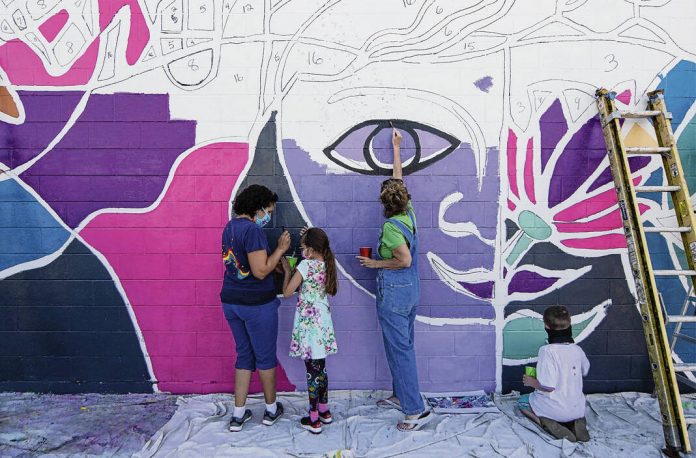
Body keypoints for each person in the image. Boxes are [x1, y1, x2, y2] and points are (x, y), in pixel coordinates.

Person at [356, 128, 434, 431]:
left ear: (384, 203)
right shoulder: (408, 212)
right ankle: (402, 395)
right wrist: (397, 148)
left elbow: (404, 259)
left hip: (396, 293)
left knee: (400, 349)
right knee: (399, 346)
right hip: (411, 290)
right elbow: (399, 180)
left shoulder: (391, 227)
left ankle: (415, 409)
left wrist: (374, 262)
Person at [221, 184, 291, 432]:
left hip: (231, 302)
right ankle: (271, 410)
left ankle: (238, 415)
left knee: (243, 356)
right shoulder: (252, 231)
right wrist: (281, 250)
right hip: (257, 304)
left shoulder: (230, 227)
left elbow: (246, 264)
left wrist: (273, 262)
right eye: (268, 210)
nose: (268, 216)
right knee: (265, 358)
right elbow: (261, 271)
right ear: (258, 208)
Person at [281, 227, 339, 434]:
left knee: (311, 372)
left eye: (304, 247)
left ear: (312, 248)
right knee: (321, 368)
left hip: (309, 325)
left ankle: (313, 417)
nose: (302, 250)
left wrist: (288, 271)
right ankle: (324, 411)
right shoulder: (328, 264)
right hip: (322, 323)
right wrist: (310, 233)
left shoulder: (305, 266)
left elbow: (287, 292)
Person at [519, 305, 591, 442]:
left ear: (546, 326)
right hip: (577, 409)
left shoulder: (547, 351)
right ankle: (576, 422)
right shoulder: (577, 349)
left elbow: (548, 386)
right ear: (569, 324)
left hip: (553, 409)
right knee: (570, 408)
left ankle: (544, 422)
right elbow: (585, 370)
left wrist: (531, 381)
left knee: (522, 402)